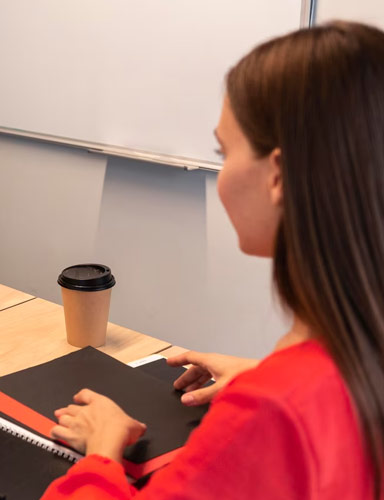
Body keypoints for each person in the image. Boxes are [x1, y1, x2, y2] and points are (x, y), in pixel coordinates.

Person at [42, 21, 383, 499]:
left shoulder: (268, 411)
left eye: (223, 152)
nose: (221, 174)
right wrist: (268, 371)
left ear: (279, 176)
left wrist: (101, 453)